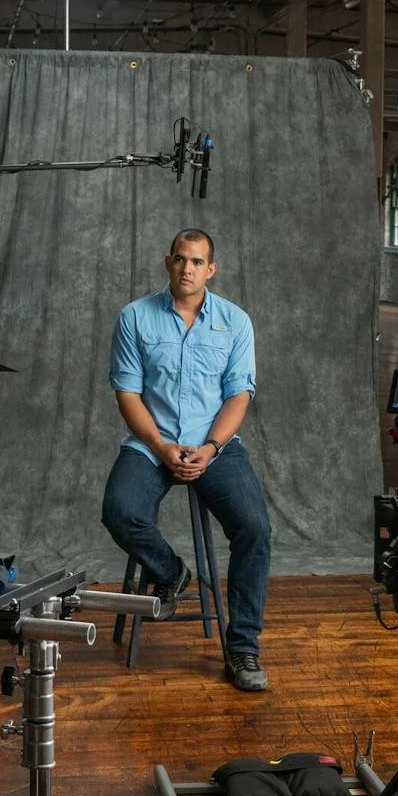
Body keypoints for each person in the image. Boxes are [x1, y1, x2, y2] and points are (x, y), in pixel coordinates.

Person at [101, 228, 272, 692]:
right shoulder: (135, 317)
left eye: (197, 262)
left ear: (210, 269)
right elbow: (128, 394)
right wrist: (161, 448)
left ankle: (242, 649)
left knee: (254, 528)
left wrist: (211, 447)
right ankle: (171, 572)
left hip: (214, 446)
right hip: (151, 444)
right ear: (168, 262)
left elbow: (238, 396)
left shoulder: (236, 322)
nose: (187, 269)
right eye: (180, 259)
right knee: (120, 510)